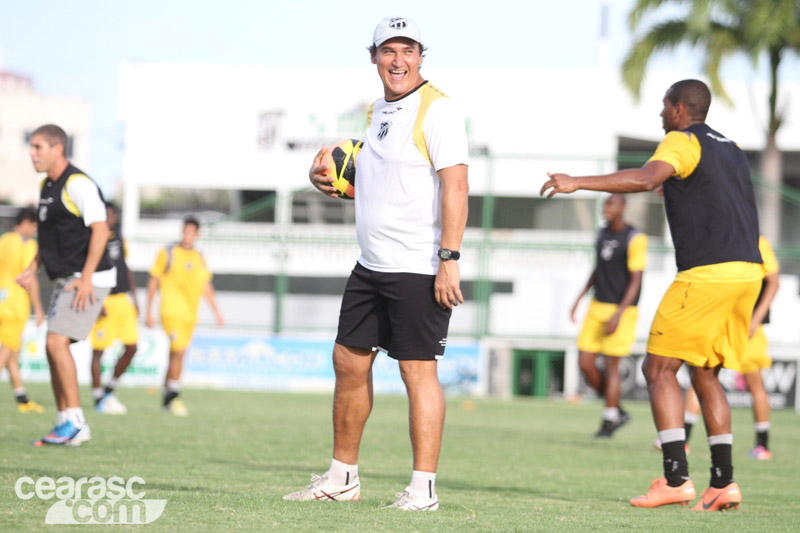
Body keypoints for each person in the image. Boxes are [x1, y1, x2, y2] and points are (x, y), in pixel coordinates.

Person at [541, 79, 762, 511]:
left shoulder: (680, 140)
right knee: (705, 372)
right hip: (747, 270)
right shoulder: (730, 147)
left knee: (658, 368)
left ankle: (676, 478)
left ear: (679, 108)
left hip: (708, 272)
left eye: (664, 107)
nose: (661, 115)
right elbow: (716, 194)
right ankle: (723, 483)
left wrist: (577, 182)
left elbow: (644, 178)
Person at [283, 16, 469, 511]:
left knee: (417, 373)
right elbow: (379, 182)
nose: (398, 60)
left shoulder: (439, 110)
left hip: (418, 266)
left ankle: (423, 490)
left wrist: (449, 259)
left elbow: (456, 186)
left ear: (421, 57)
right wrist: (327, 179)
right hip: (370, 265)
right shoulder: (377, 111)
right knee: (347, 361)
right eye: (389, 50)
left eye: (408, 50)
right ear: (373, 57)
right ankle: (342, 478)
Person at [18, 124, 115, 446]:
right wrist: (33, 268)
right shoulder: (48, 185)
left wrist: (86, 277)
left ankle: (76, 422)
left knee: (57, 343)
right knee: (52, 346)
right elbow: (48, 239)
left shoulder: (79, 184)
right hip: (66, 278)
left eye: (37, 147)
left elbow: (100, 231)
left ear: (58, 148)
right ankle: (64, 422)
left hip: (88, 279)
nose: (32, 154)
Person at [571, 194, 646, 437]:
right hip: (597, 305)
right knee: (585, 362)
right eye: (605, 205)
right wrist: (579, 298)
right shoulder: (601, 233)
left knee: (612, 367)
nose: (606, 209)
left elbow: (636, 280)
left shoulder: (635, 238)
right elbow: (598, 269)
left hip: (622, 309)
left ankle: (608, 421)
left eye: (611, 205)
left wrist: (620, 314)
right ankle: (616, 410)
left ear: (622, 208)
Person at [145, 216, 224, 416]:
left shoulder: (199, 256)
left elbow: (206, 285)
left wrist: (217, 313)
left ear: (197, 235)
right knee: (178, 351)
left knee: (177, 354)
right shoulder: (167, 252)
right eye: (184, 231)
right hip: (170, 311)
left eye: (191, 232)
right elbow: (153, 280)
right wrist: (148, 311)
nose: (187, 236)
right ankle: (174, 397)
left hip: (190, 314)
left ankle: (166, 399)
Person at [88, 202, 139, 415]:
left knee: (131, 347)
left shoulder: (118, 237)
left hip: (122, 300)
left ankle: (110, 388)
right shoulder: (91, 238)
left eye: (113, 214)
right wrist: (95, 300)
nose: (110, 217)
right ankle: (98, 395)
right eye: (107, 214)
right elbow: (87, 270)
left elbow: (125, 268)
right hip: (104, 299)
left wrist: (135, 298)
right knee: (98, 351)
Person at [0, 207, 46, 413]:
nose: (35, 231)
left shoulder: (3, 240)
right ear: (27, 223)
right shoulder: (28, 244)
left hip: (1, 300)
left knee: (12, 353)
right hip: (15, 305)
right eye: (35, 226)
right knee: (6, 351)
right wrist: (38, 308)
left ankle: (22, 399)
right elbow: (30, 276)